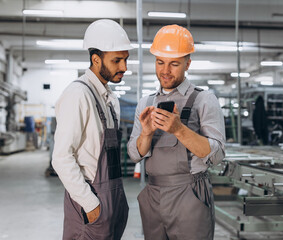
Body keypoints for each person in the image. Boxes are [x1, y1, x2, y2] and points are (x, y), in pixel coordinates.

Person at [127, 24, 226, 240]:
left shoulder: (204, 100)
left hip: (189, 195)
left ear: (188, 63)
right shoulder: (146, 103)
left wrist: (179, 129)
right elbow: (135, 155)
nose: (165, 71)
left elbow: (217, 156)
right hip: (153, 195)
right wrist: (146, 134)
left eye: (174, 64)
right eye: (160, 62)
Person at [52, 19, 132, 240]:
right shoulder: (78, 95)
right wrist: (90, 204)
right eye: (117, 60)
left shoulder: (110, 100)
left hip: (114, 203)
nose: (124, 67)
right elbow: (61, 157)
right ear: (96, 59)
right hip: (90, 206)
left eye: (125, 59)